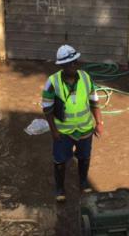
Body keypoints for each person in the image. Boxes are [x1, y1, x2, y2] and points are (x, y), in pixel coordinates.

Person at [41, 44, 103, 202]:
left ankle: (83, 183)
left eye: (76, 61)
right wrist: (54, 131)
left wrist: (99, 122)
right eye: (70, 63)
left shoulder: (85, 77)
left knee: (84, 157)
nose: (74, 65)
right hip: (63, 132)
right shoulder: (52, 82)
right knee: (60, 160)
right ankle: (60, 189)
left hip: (85, 129)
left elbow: (94, 101)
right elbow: (47, 108)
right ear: (62, 66)